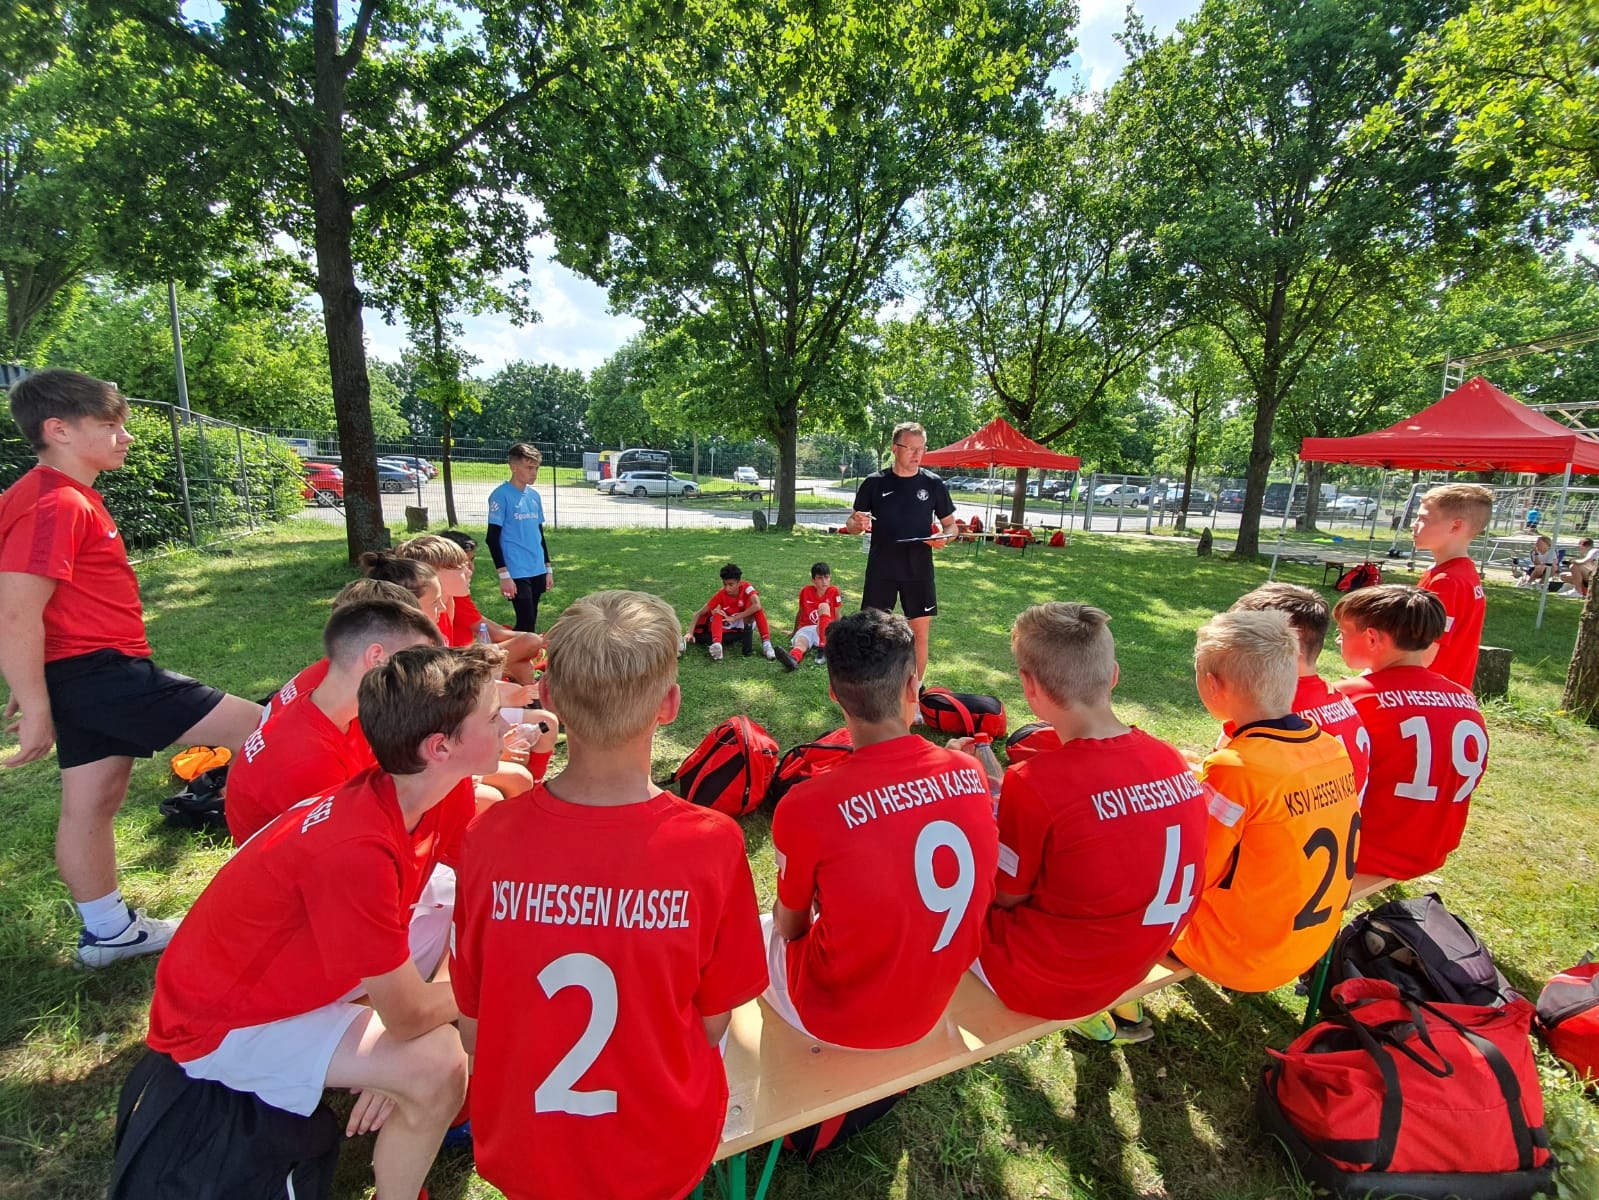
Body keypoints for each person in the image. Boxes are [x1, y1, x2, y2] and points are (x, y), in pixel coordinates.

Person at [145, 644, 507, 1199]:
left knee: (451, 918)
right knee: (437, 1065)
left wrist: (425, 1010)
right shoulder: (357, 850)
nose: (506, 724)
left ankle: (399, 1083)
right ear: (440, 746)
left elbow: (474, 903)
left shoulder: (430, 789)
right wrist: (488, 988)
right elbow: (409, 1016)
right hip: (218, 1021)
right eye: (493, 716)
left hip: (286, 975)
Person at [452, 591, 767, 1200]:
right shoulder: (711, 843)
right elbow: (713, 1024)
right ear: (670, 704)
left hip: (524, 1149)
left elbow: (472, 1029)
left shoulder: (487, 838)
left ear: (549, 698)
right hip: (659, 1149)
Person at [0, 370, 263, 967]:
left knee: (93, 801)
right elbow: (15, 610)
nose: (126, 436)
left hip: (82, 673)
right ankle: (296, 878)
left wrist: (35, 682)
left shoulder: (59, 495)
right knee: (269, 730)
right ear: (58, 430)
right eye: (109, 425)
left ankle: (108, 933)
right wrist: (35, 702)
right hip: (101, 673)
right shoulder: (55, 501)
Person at [962, 602, 1207, 1043]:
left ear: (1028, 686)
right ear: (1113, 675)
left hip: (1052, 977)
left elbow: (1004, 897)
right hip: (1138, 955)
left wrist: (972, 800)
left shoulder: (1035, 783)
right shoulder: (1169, 757)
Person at [766, 609, 999, 1048]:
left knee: (765, 929)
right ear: (913, 686)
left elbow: (792, 927)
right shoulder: (970, 772)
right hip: (934, 999)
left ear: (834, 694)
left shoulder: (805, 805)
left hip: (835, 1018)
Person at [1170, 611, 1360, 993]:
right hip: (1309, 942)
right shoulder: (1330, 748)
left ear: (1212, 685)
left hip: (1241, 955)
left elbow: (1192, 873)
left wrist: (1178, 793)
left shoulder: (1235, 770)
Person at [227, 597, 445, 846]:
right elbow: (354, 842)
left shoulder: (340, 710)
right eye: (416, 662)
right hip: (317, 858)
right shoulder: (308, 759)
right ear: (377, 657)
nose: (426, 676)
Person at [1332, 586, 1489, 880]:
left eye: (1343, 631)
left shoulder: (1349, 698)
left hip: (1363, 851)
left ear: (1371, 638)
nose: (1338, 639)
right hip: (1432, 847)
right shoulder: (1464, 697)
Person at [1229, 583, 1371, 799]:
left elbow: (1227, 789)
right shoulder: (1337, 697)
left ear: (1282, 645)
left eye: (1241, 641)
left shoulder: (1266, 710)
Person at [844, 421, 956, 684]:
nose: (917, 454)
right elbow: (852, 524)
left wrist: (944, 537)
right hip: (882, 568)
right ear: (895, 449)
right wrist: (857, 524)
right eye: (911, 448)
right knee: (873, 631)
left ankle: (914, 693)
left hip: (918, 570)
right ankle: (872, 689)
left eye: (922, 448)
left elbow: (951, 526)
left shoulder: (933, 484)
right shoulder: (874, 483)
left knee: (919, 633)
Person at [396, 533, 544, 679]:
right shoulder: (420, 615)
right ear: (430, 573)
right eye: (461, 567)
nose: (470, 571)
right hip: (447, 676)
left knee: (523, 663)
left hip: (453, 666)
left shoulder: (448, 602)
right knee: (530, 642)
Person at [1413, 483, 1492, 689]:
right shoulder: (1461, 572)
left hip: (1427, 693)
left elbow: (1423, 655)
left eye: (1423, 519)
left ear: (1455, 526)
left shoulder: (1447, 581)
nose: (1414, 525)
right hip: (1448, 694)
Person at [487, 442, 553, 633]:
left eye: (536, 468)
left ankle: (522, 649)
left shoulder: (534, 496)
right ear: (514, 467)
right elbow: (492, 539)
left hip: (537, 566)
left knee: (531, 619)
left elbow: (539, 534)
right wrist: (504, 575)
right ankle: (513, 650)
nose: (534, 473)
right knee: (526, 621)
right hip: (516, 569)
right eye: (529, 468)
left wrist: (548, 568)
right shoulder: (500, 495)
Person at [684, 562, 778, 661]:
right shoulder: (721, 594)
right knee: (718, 613)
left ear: (739, 582)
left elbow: (757, 605)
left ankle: (766, 645)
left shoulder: (747, 587)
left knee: (758, 610)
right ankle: (717, 646)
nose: (727, 588)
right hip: (728, 623)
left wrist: (734, 618)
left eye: (731, 584)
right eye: (725, 584)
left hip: (745, 621)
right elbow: (699, 613)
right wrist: (690, 632)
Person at [784, 561, 841, 669]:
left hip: (825, 630)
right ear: (813, 580)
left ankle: (823, 649)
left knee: (824, 606)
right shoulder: (805, 591)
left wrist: (842, 634)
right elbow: (800, 612)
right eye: (820, 578)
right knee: (800, 643)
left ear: (830, 578)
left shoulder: (834, 591)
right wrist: (794, 632)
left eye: (826, 577)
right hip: (807, 628)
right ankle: (793, 659)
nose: (824, 581)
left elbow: (837, 616)